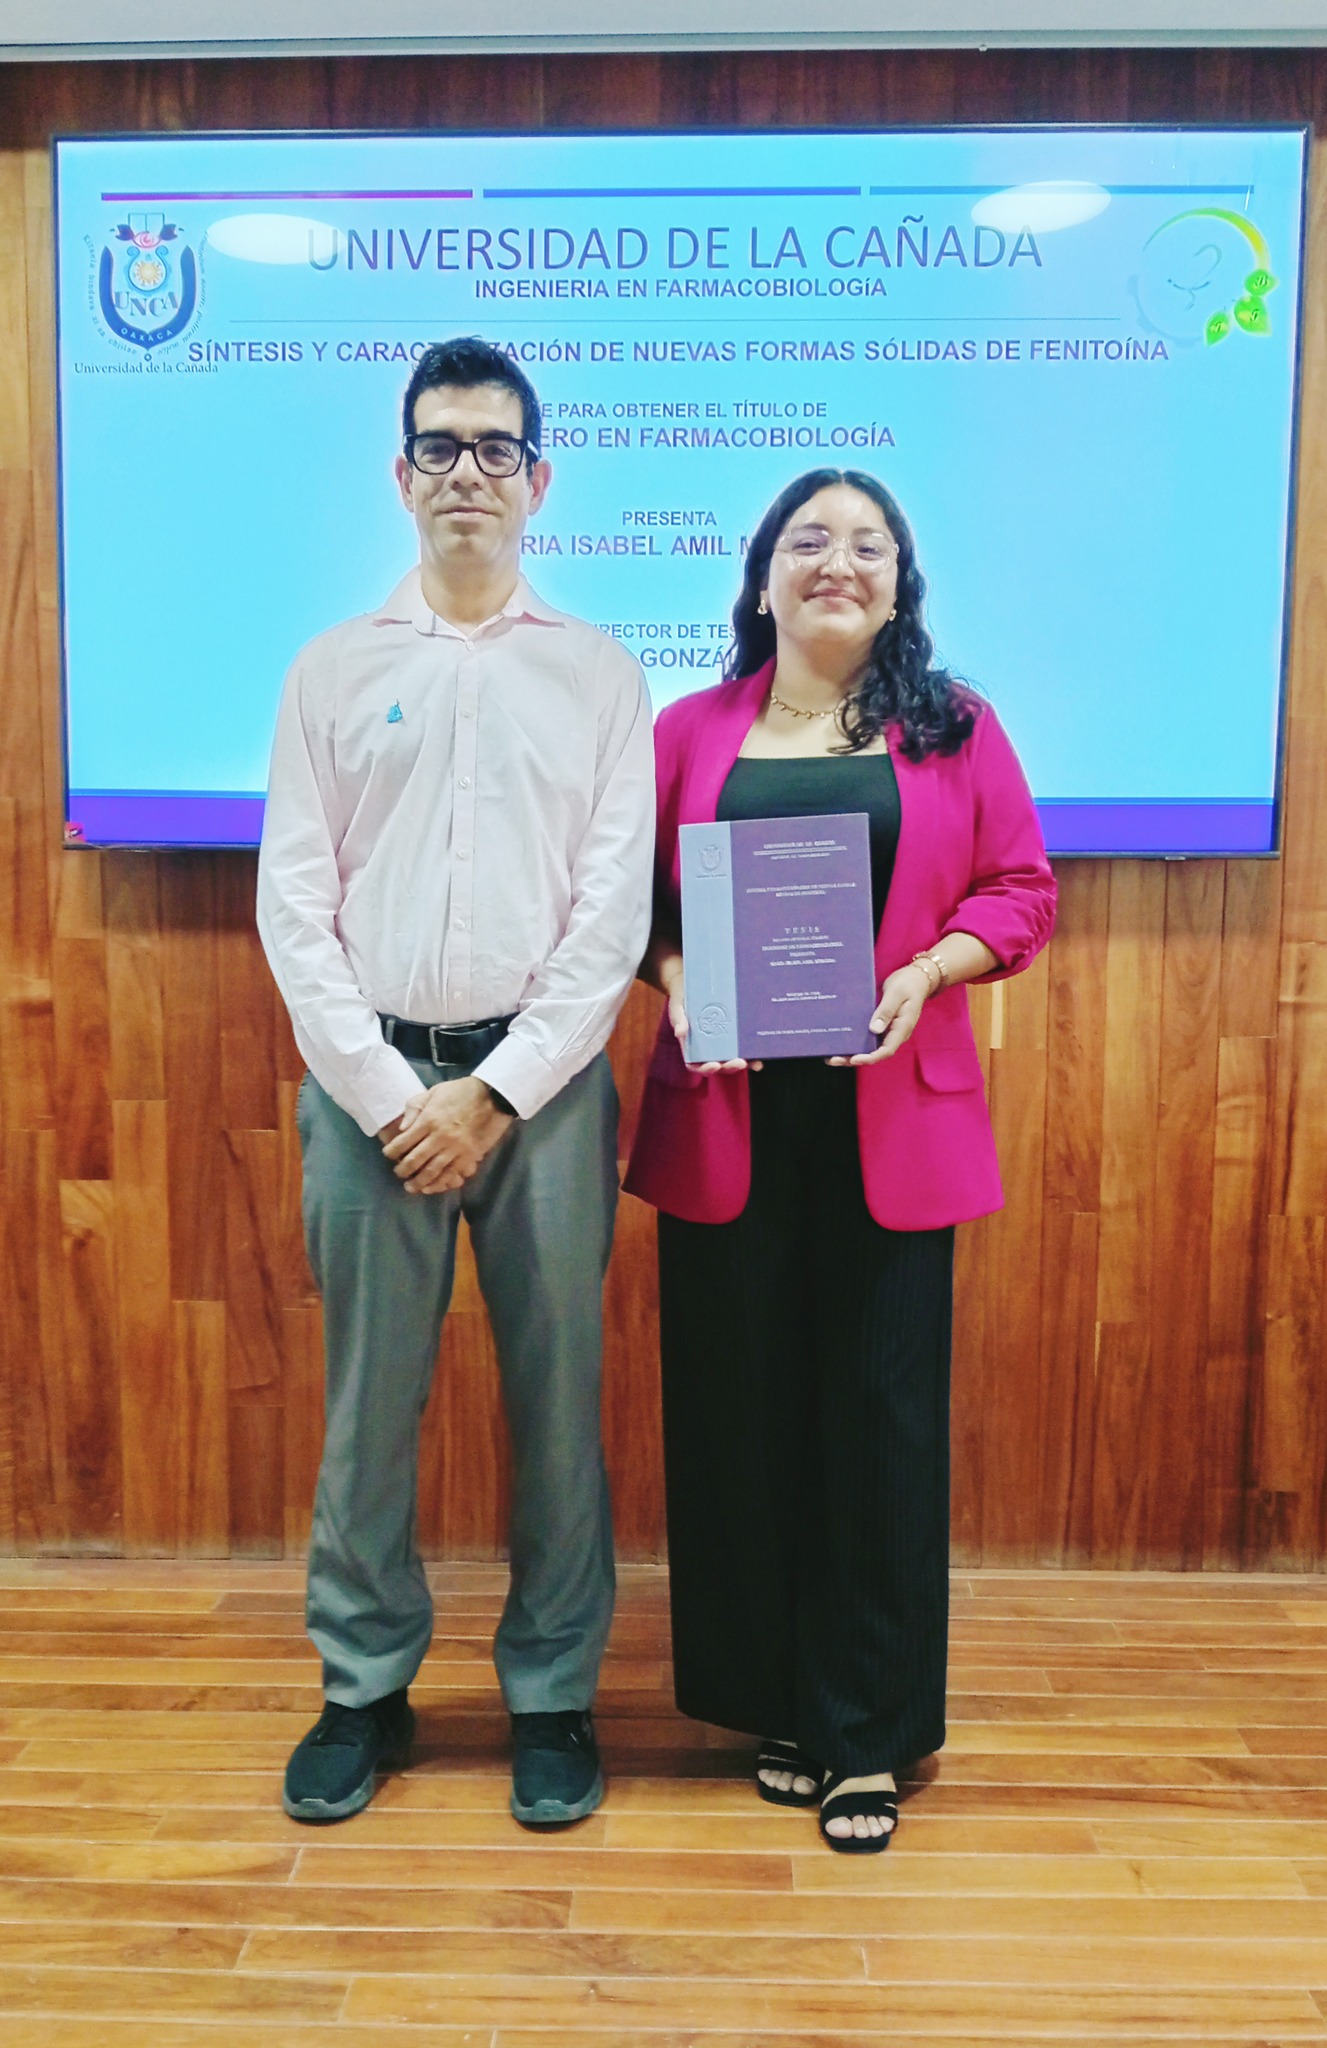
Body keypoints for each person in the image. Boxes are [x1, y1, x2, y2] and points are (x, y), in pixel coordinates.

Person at [625, 468, 1055, 1852]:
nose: (839, 561)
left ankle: (867, 1730)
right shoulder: (687, 730)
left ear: (898, 582)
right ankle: (781, 1708)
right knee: (742, 1418)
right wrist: (681, 980)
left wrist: (933, 966)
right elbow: (626, 905)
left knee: (876, 1425)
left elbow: (1022, 890)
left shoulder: (955, 730)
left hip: (894, 1121)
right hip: (729, 1117)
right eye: (810, 539)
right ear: (760, 576)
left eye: (869, 544)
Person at [257, 336, 654, 1828]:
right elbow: (296, 907)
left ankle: (551, 1698)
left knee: (559, 1401)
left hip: (542, 1096)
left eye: (496, 449)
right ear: (400, 472)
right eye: (441, 446)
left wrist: (496, 1091)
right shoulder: (331, 670)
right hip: (370, 1090)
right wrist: (383, 1095)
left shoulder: (600, 675)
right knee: (370, 1405)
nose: (467, 473)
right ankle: (363, 1688)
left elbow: (610, 915)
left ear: (539, 480)